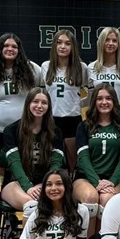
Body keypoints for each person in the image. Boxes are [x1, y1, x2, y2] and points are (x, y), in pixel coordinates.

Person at [0, 87, 65, 220]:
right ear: (28, 103)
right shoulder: (11, 130)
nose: (39, 106)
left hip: (44, 184)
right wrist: (28, 187)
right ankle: (30, 235)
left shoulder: (56, 132)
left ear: (49, 107)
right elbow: (15, 163)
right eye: (35, 101)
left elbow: (56, 163)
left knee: (53, 204)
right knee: (32, 205)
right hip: (15, 183)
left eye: (44, 103)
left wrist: (46, 184)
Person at [74, 84, 120, 209]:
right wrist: (97, 182)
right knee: (90, 197)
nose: (104, 102)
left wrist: (112, 181)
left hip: (113, 179)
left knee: (107, 198)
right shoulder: (84, 126)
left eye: (108, 98)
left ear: (114, 101)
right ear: (94, 101)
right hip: (85, 178)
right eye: (99, 99)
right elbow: (83, 158)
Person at [41, 29, 90, 165]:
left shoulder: (81, 67)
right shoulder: (45, 66)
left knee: (72, 162)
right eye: (59, 42)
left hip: (73, 118)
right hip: (51, 119)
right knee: (51, 160)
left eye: (68, 43)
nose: (63, 46)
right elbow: (41, 93)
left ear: (73, 47)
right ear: (54, 45)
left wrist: (78, 103)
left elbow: (91, 93)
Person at [0, 33, 42, 132]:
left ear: (19, 50)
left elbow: (42, 91)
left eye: (14, 46)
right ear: (0, 49)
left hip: (25, 129)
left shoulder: (32, 69)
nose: (10, 49)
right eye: (6, 46)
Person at [88, 27, 120, 116]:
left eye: (114, 41)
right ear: (101, 42)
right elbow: (91, 98)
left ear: (119, 44)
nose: (111, 43)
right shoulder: (91, 67)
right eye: (107, 40)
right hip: (99, 117)